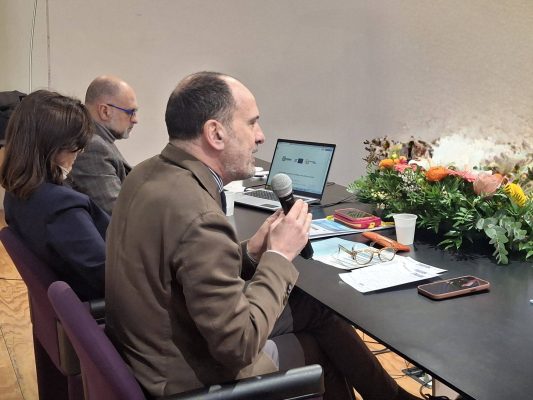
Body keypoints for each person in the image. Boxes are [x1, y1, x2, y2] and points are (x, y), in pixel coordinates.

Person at [105, 72, 420, 400]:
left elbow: (184, 269)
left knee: (314, 311)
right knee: (320, 353)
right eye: (252, 123)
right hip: (186, 378)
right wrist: (278, 256)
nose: (260, 136)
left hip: (150, 357)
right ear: (216, 133)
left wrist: (252, 252)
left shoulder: (145, 173)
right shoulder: (199, 216)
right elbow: (238, 345)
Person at [0, 90, 109, 301]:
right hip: (105, 305)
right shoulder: (61, 207)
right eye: (76, 145)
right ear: (54, 147)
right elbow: (107, 276)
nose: (80, 152)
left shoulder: (16, 194)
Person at [68, 75, 138, 214]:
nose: (135, 120)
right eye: (131, 112)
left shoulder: (99, 140)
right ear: (105, 111)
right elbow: (118, 212)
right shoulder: (93, 146)